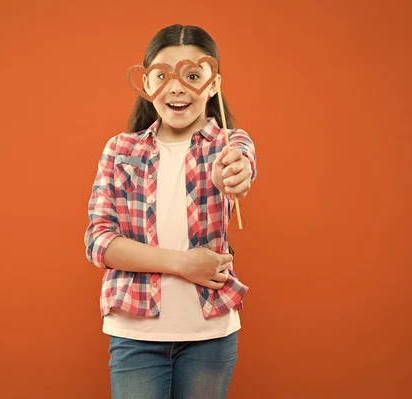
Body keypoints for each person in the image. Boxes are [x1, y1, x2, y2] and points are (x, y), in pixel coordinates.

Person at [84, 23, 258, 399]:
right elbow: (99, 243)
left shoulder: (229, 143)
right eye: (163, 76)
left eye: (193, 75)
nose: (177, 87)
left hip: (210, 334)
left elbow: (240, 168)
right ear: (148, 84)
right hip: (135, 334)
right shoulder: (120, 150)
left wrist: (235, 174)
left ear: (212, 85)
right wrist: (184, 264)